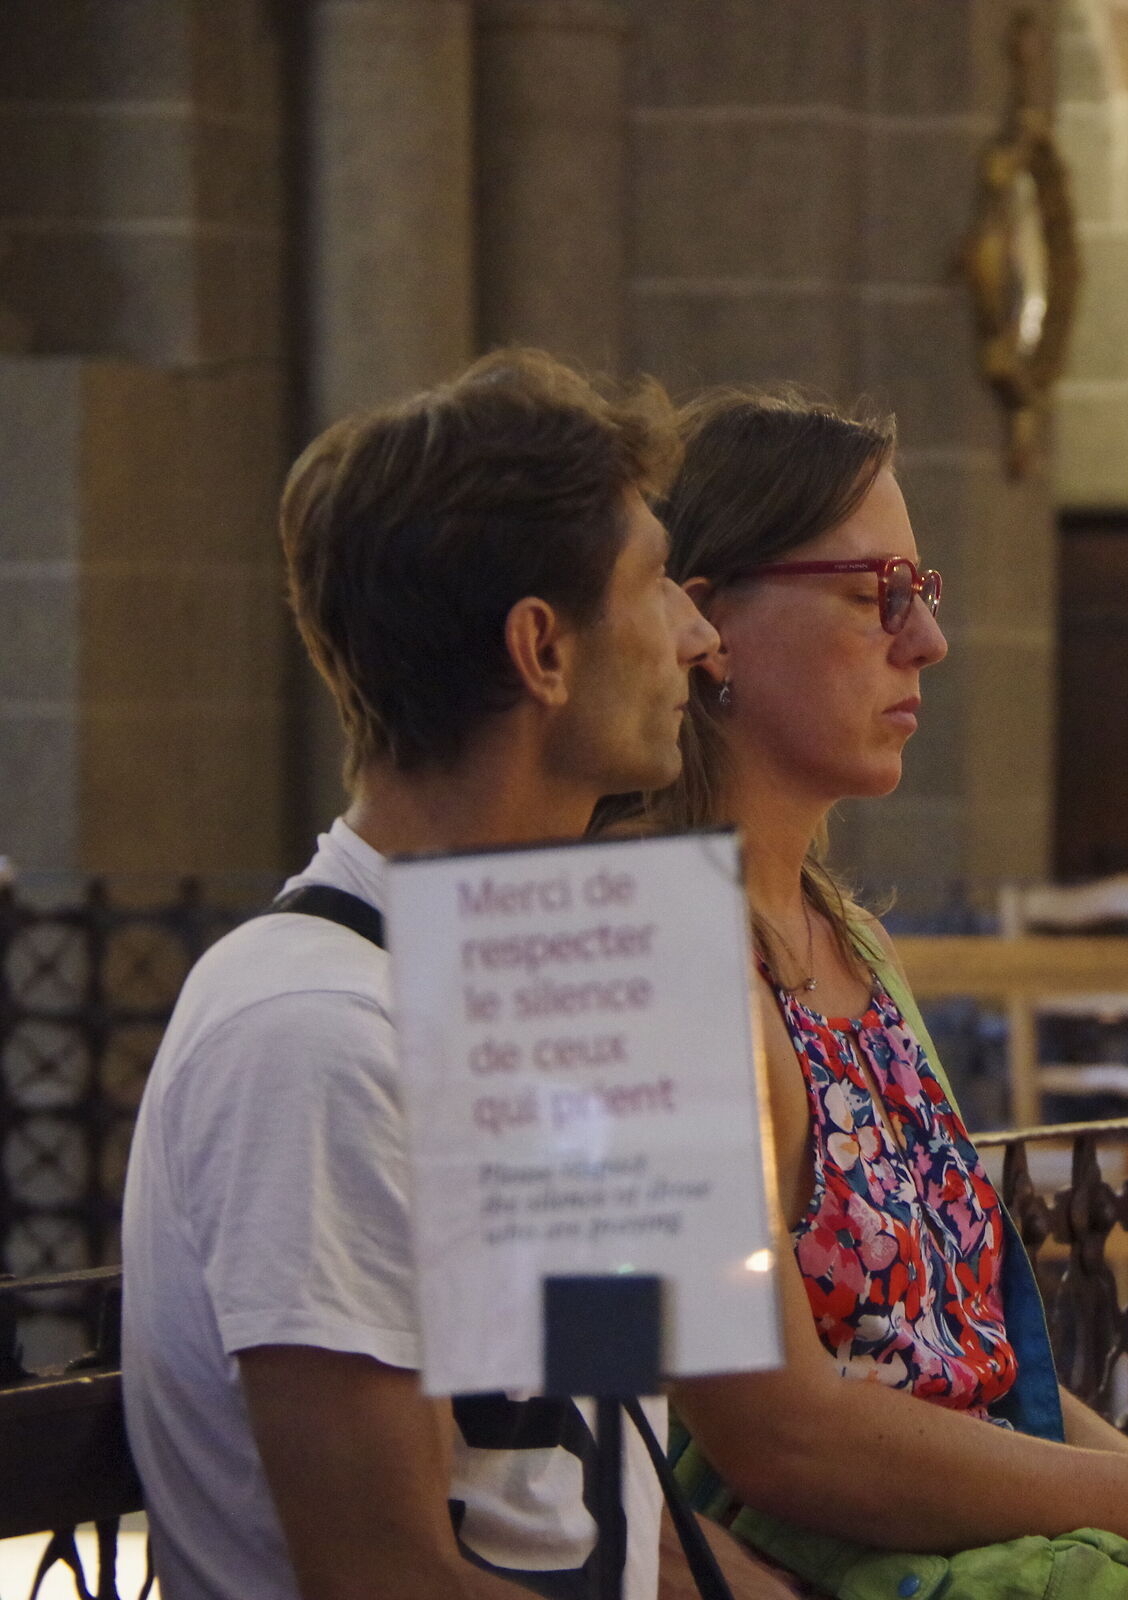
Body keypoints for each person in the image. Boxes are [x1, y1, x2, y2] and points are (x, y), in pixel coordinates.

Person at [608, 387, 1128, 1600]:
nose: (925, 642)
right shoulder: (663, 964)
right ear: (710, 623)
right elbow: (785, 1433)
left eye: (924, 595)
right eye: (878, 595)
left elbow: (970, 1362)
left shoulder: (853, 946)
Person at [119, 351, 779, 1599]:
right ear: (542, 647)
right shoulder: (312, 1033)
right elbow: (384, 1579)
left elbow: (609, 1513)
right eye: (655, 584)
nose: (700, 637)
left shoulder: (548, 984)